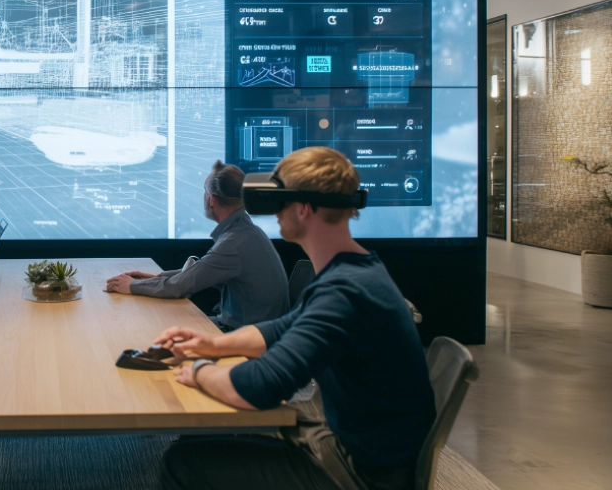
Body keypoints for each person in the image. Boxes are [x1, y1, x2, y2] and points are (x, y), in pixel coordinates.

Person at [154, 147, 436, 490]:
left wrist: (198, 371)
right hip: (359, 449)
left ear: (303, 208)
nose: (273, 212)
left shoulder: (343, 292)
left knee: (181, 463)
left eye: (280, 199)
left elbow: (258, 388)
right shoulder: (357, 270)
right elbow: (281, 329)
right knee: (197, 444)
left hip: (358, 472)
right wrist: (211, 344)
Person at [105, 160, 289, 330]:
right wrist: (156, 277)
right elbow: (203, 271)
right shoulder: (245, 231)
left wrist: (130, 286)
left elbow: (180, 287)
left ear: (211, 200)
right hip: (254, 331)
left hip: (244, 336)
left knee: (157, 327)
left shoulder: (234, 242)